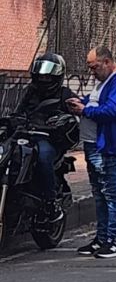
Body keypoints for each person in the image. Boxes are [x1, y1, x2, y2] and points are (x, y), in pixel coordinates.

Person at [67, 46, 116, 259]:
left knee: (111, 193)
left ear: (108, 62)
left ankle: (114, 241)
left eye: (95, 67)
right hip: (93, 144)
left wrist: (85, 110)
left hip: (107, 145)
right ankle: (101, 238)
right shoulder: (104, 82)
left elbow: (112, 110)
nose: (93, 72)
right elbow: (95, 101)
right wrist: (81, 103)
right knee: (99, 193)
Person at [14, 53, 80, 223]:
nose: (43, 79)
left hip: (48, 139)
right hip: (25, 135)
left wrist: (62, 121)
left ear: (56, 76)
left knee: (43, 157)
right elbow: (17, 111)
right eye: (40, 75)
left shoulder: (64, 94)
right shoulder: (30, 92)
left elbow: (78, 113)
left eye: (47, 76)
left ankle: (51, 203)